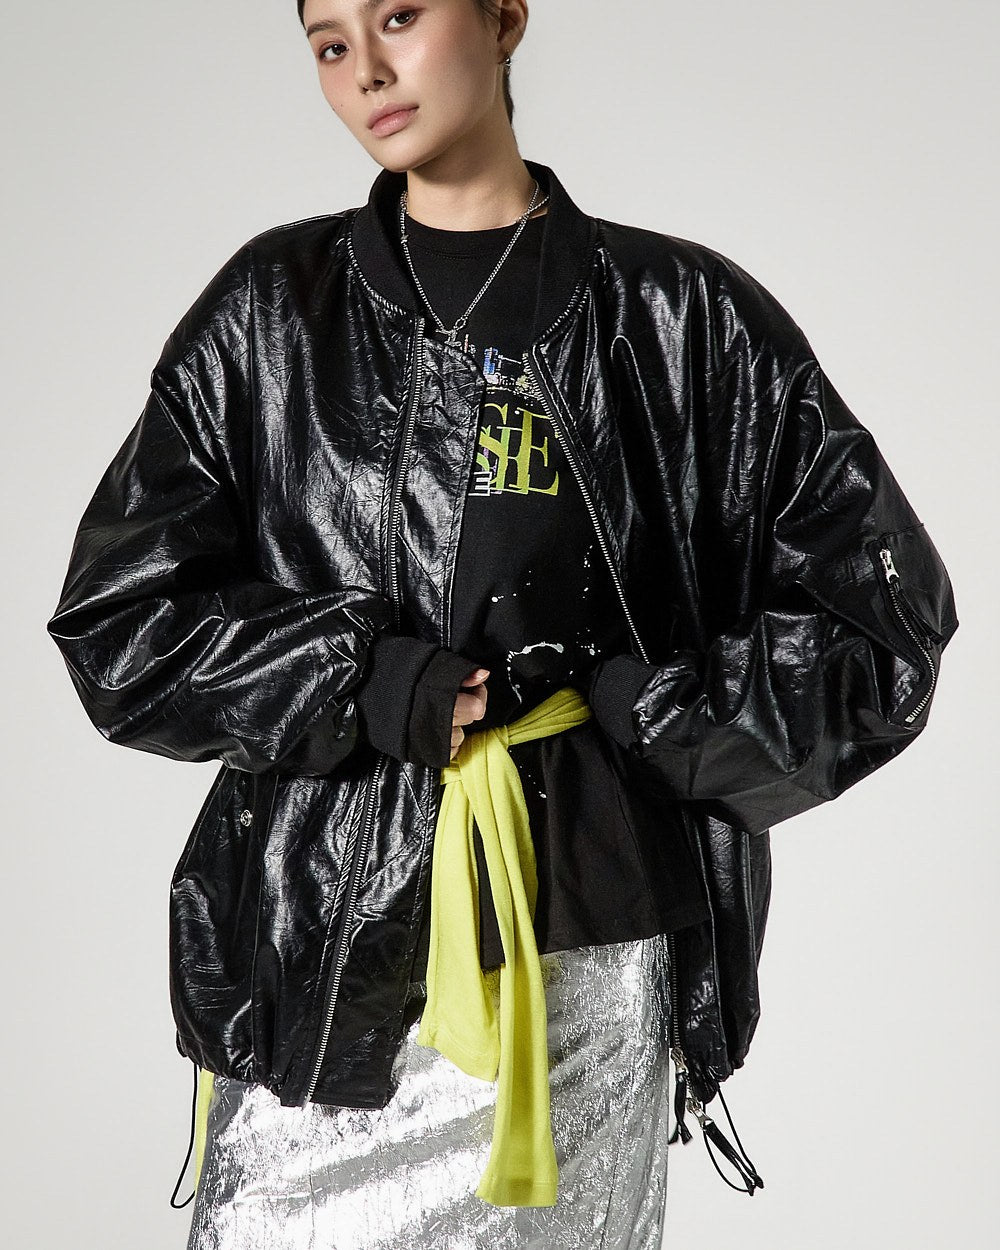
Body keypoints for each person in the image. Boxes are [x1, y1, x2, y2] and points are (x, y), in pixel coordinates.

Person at [45, 1, 960, 1246]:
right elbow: (121, 616)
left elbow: (884, 615)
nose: (368, 69)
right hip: (332, 970)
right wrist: (359, 679)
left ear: (505, 17)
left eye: (400, 15)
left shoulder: (681, 314)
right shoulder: (271, 311)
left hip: (586, 970)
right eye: (329, 43)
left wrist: (667, 710)